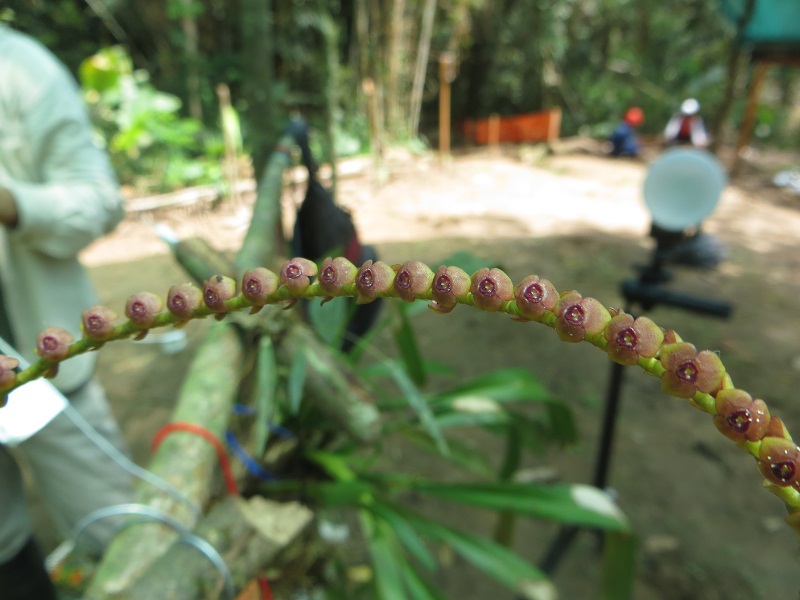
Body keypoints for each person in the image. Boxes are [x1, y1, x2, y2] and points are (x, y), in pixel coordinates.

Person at [0, 24, 133, 599]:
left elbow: (98, 200)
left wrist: (13, 203)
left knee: (123, 534)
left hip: (47, 370)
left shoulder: (21, 68)